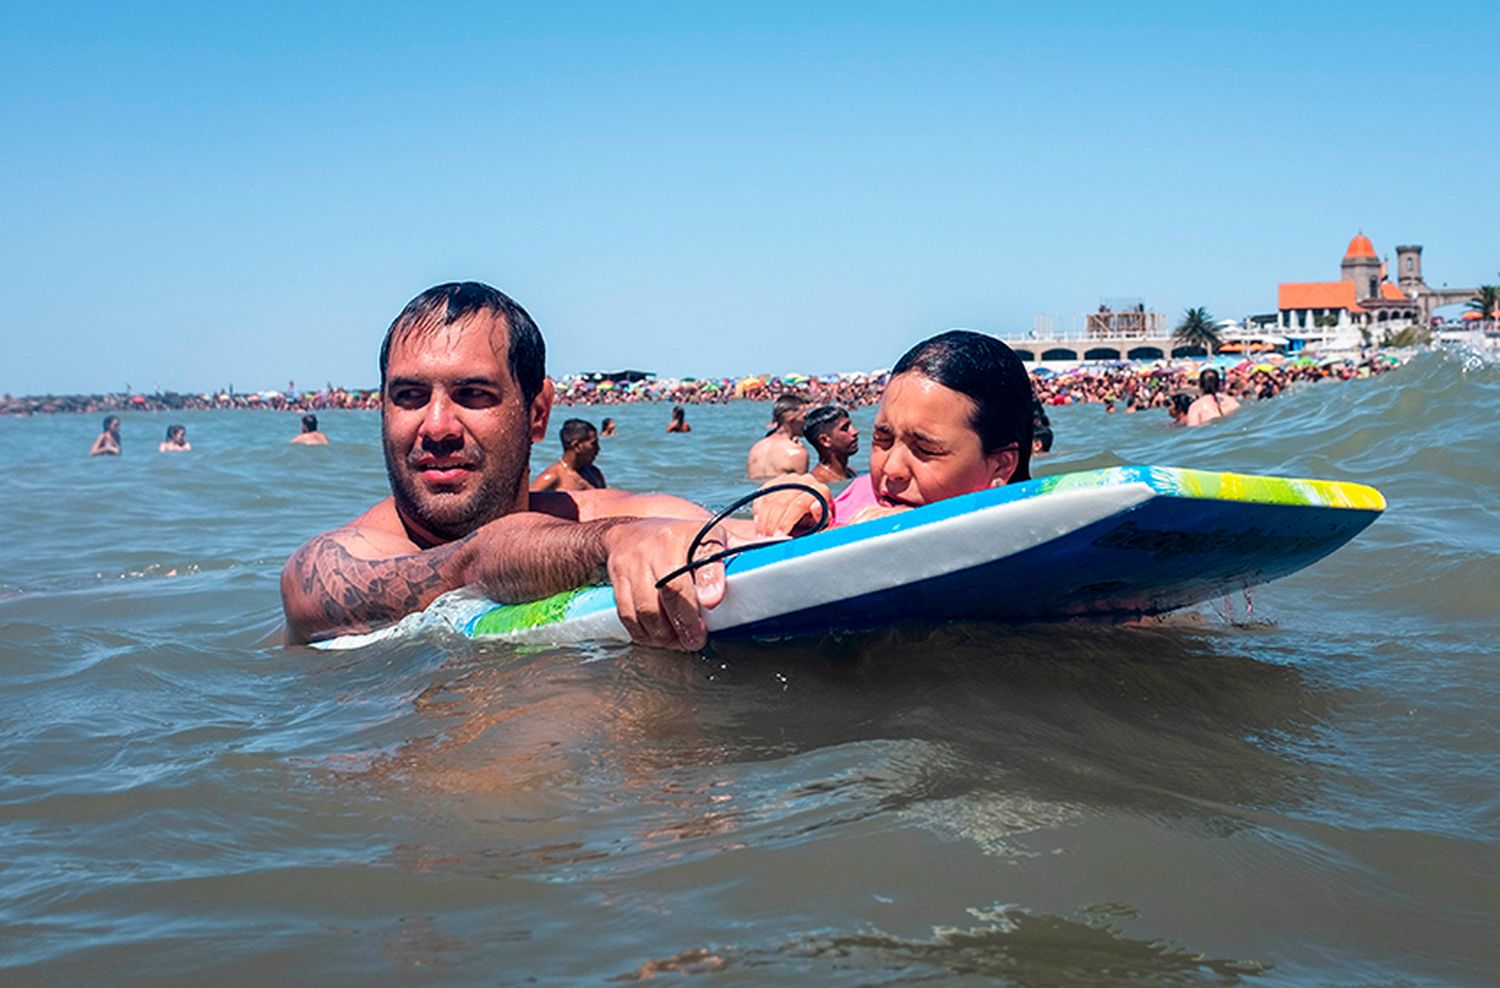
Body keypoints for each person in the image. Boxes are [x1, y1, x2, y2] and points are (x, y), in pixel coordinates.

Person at [280, 282, 732, 651]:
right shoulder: (330, 565)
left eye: (473, 394)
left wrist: (797, 498)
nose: (437, 427)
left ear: (537, 414)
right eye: (410, 396)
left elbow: (729, 536)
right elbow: (474, 560)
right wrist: (610, 545)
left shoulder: (608, 515)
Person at [753, 330, 1034, 536]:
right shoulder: (857, 499)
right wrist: (785, 507)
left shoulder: (1049, 533)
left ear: (1001, 465)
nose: (891, 468)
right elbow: (718, 529)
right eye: (882, 440)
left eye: (926, 450)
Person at [531, 418, 606, 491]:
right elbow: (526, 501)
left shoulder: (594, 473)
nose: (598, 449)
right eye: (593, 444)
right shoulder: (552, 478)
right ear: (576, 446)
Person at [745, 394, 808, 479]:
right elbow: (803, 490)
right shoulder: (797, 453)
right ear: (791, 419)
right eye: (805, 417)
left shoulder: (756, 448)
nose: (807, 422)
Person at [802, 404, 859, 484]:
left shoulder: (850, 472)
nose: (855, 432)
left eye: (851, 425)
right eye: (845, 428)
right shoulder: (819, 482)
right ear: (825, 440)